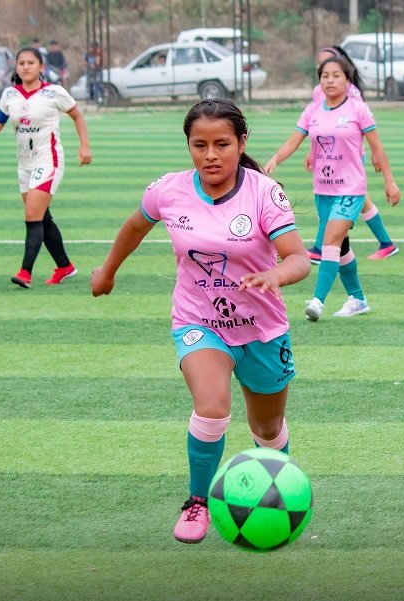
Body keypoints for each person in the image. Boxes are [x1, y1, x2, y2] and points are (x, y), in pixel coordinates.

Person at [90, 98, 311, 544]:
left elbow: (299, 258)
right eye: (200, 145)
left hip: (263, 329)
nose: (211, 155)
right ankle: (197, 502)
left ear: (242, 143)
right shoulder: (168, 190)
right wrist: (107, 270)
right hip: (198, 322)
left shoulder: (264, 192)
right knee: (211, 407)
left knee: (267, 429)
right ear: (189, 146)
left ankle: (278, 496)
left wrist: (275, 275)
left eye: (222, 144)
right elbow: (135, 226)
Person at [265, 55, 400, 320]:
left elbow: (376, 147)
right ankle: (358, 299)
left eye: (336, 75)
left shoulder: (358, 109)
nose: (330, 80)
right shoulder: (313, 110)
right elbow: (294, 140)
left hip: (351, 188)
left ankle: (317, 301)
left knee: (329, 240)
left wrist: (389, 180)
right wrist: (275, 159)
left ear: (347, 80)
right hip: (323, 189)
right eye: (325, 76)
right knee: (342, 247)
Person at [0, 47, 92, 288]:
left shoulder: (54, 93)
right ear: (17, 67)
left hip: (48, 161)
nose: (26, 66)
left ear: (41, 67)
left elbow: (77, 116)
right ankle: (65, 267)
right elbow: (0, 120)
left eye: (31, 62)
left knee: (32, 214)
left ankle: (25, 272)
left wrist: (84, 147)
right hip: (24, 164)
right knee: (42, 216)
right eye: (21, 63)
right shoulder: (10, 94)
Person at [305, 45, 399, 262]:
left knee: (346, 198)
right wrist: (312, 151)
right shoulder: (318, 91)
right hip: (328, 154)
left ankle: (322, 247)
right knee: (360, 200)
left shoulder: (351, 92)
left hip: (349, 155)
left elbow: (361, 122)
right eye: (320, 64)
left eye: (327, 62)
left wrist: (376, 154)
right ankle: (386, 243)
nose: (323, 67)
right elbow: (318, 125)